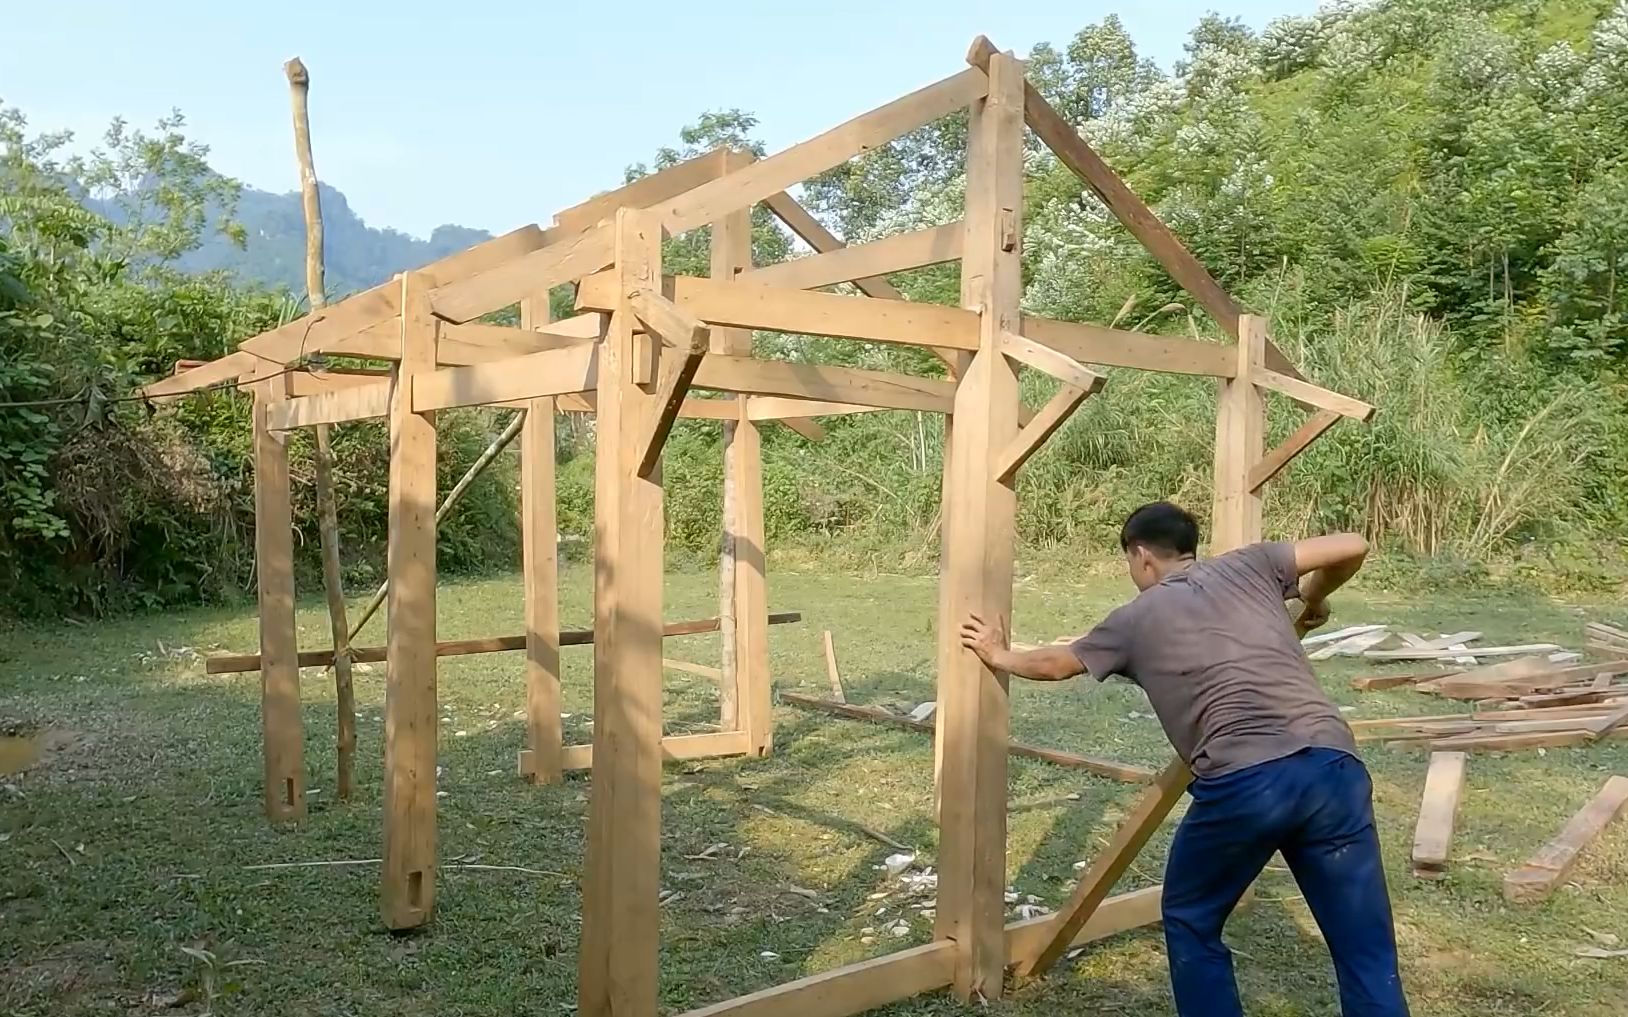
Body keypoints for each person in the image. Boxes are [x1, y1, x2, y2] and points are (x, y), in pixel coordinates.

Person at [958, 501, 1408, 1017]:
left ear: (1143, 557)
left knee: (1191, 914)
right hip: (1334, 767)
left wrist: (998, 654)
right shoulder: (1252, 564)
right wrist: (1313, 595)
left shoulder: (1136, 618)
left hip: (1248, 782)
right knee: (1364, 942)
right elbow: (1353, 545)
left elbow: (1057, 664)